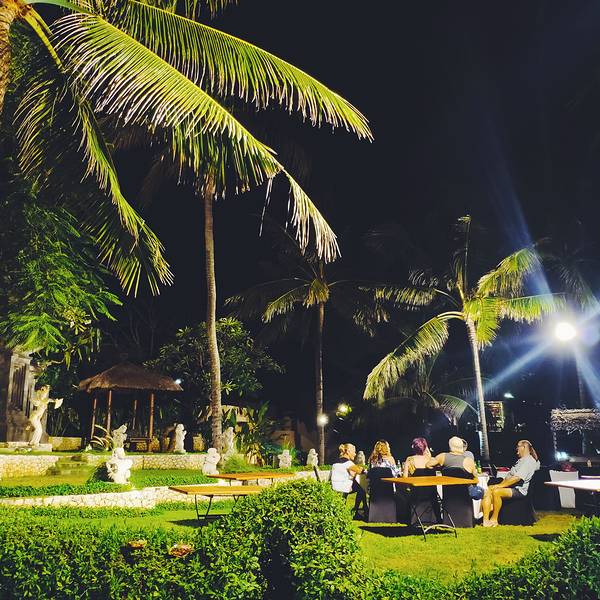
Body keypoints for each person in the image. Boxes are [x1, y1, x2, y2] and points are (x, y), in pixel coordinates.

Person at [481, 440, 540, 527]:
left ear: (524, 447)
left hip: (519, 490)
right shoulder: (521, 460)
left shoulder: (528, 461)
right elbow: (509, 477)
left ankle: (494, 519)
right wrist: (499, 485)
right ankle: (485, 519)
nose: (516, 449)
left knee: (496, 492)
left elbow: (517, 478)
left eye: (518, 446)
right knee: (488, 489)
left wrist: (499, 486)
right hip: (512, 487)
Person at [330, 443, 367, 517]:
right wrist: (365, 470)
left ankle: (364, 508)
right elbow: (360, 471)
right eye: (354, 452)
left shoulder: (335, 462)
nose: (355, 454)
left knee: (359, 485)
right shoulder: (348, 463)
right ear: (348, 452)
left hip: (335, 487)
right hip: (343, 488)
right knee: (362, 487)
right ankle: (357, 510)